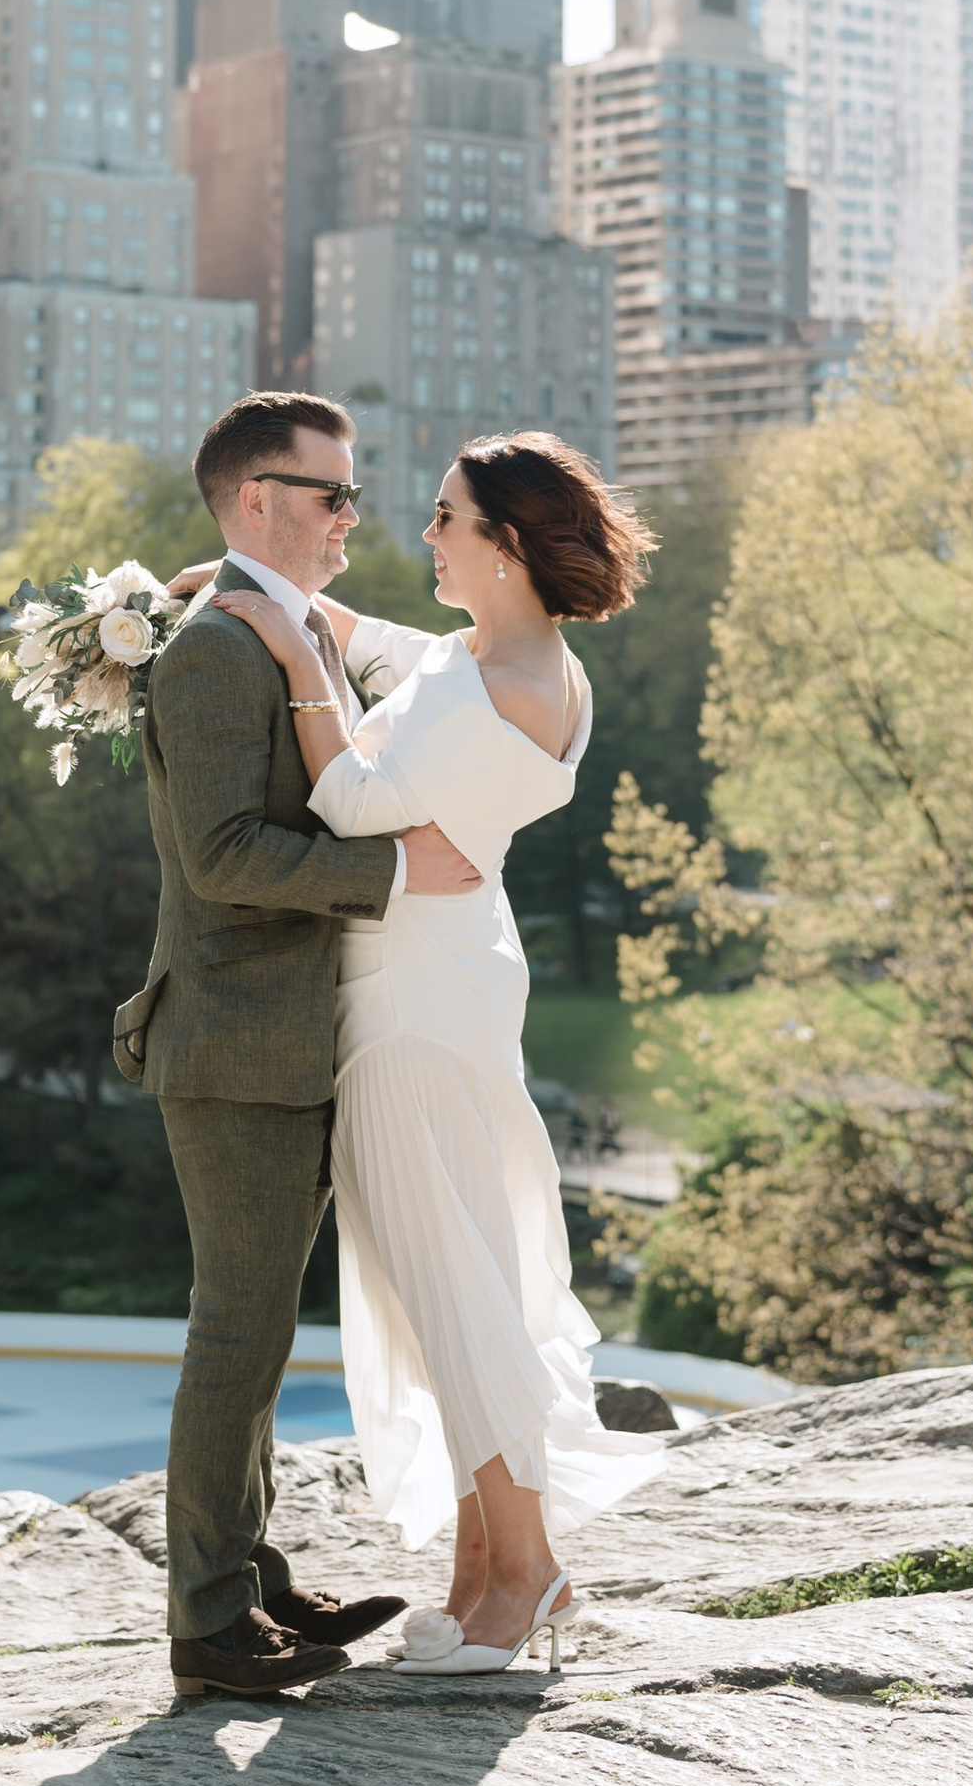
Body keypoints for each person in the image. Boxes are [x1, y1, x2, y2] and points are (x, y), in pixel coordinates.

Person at [208, 430, 667, 1674]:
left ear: (505, 547)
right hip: (444, 970)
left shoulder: (498, 687)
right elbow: (392, 658)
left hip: (412, 998)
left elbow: (350, 802)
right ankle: (479, 1575)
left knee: (453, 1290)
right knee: (443, 1282)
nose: (426, 534)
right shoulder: (514, 661)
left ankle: (525, 1575)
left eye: (449, 518)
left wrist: (295, 660)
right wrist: (257, 599)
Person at [115, 390, 485, 1703]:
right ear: (257, 499)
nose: (350, 516)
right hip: (236, 1042)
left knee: (260, 1329)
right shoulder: (218, 651)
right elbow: (221, 859)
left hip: (292, 1039)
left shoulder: (268, 627)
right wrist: (396, 873)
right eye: (330, 495)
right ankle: (209, 1626)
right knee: (238, 1329)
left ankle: (251, 1578)